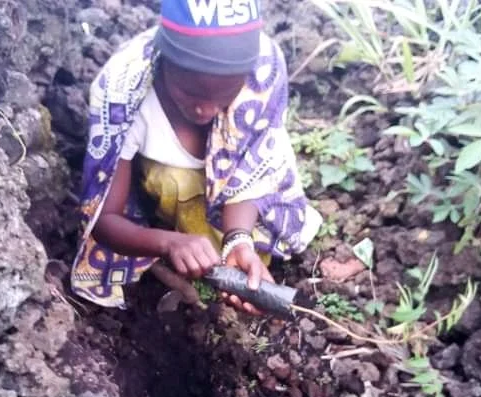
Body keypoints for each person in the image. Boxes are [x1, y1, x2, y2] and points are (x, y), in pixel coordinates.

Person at [71, 0, 322, 313]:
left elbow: (253, 166)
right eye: (191, 95)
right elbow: (103, 218)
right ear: (164, 62)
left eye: (224, 97)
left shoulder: (263, 71)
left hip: (242, 199)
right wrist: (167, 243)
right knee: (173, 180)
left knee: (253, 244)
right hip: (170, 190)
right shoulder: (124, 88)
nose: (206, 110)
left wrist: (238, 239)